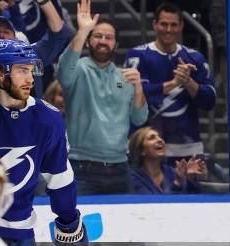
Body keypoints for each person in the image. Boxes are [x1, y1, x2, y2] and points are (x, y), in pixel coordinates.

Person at [0, 39, 88, 246]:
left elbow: (60, 177)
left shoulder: (47, 118)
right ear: (0, 74)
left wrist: (68, 221)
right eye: (21, 71)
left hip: (21, 236)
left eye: (31, 70)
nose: (30, 78)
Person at [58, 0, 148, 195]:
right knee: (79, 224)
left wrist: (139, 89)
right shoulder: (79, 68)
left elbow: (139, 119)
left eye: (109, 37)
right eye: (97, 36)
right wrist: (82, 30)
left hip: (121, 168)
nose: (103, 41)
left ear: (116, 44)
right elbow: (63, 71)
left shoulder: (126, 76)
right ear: (89, 41)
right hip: (82, 168)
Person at [124, 2, 216, 161]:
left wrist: (188, 82)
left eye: (173, 25)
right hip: (145, 147)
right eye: (164, 24)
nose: (168, 29)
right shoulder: (138, 55)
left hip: (187, 146)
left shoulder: (195, 58)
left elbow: (209, 101)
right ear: (155, 24)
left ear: (181, 26)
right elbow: (135, 95)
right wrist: (173, 83)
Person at [129, 126, 204, 194]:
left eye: (159, 137)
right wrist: (177, 183)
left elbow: (194, 198)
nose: (160, 140)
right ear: (141, 151)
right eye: (152, 138)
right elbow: (154, 204)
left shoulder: (172, 172)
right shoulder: (133, 178)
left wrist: (190, 179)